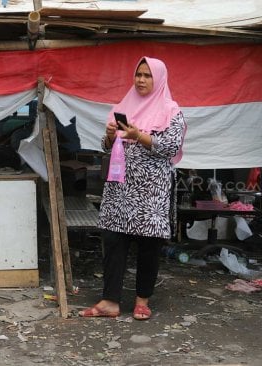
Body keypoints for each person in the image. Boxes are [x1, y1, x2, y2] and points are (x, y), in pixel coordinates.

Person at [79, 57, 186, 320]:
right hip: (120, 187)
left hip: (151, 189)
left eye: (148, 76)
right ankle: (110, 301)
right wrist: (109, 135)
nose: (141, 80)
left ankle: (142, 300)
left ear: (159, 79)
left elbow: (170, 147)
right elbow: (107, 147)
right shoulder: (123, 107)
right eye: (138, 74)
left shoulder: (172, 111)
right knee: (114, 240)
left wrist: (138, 135)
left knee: (148, 243)